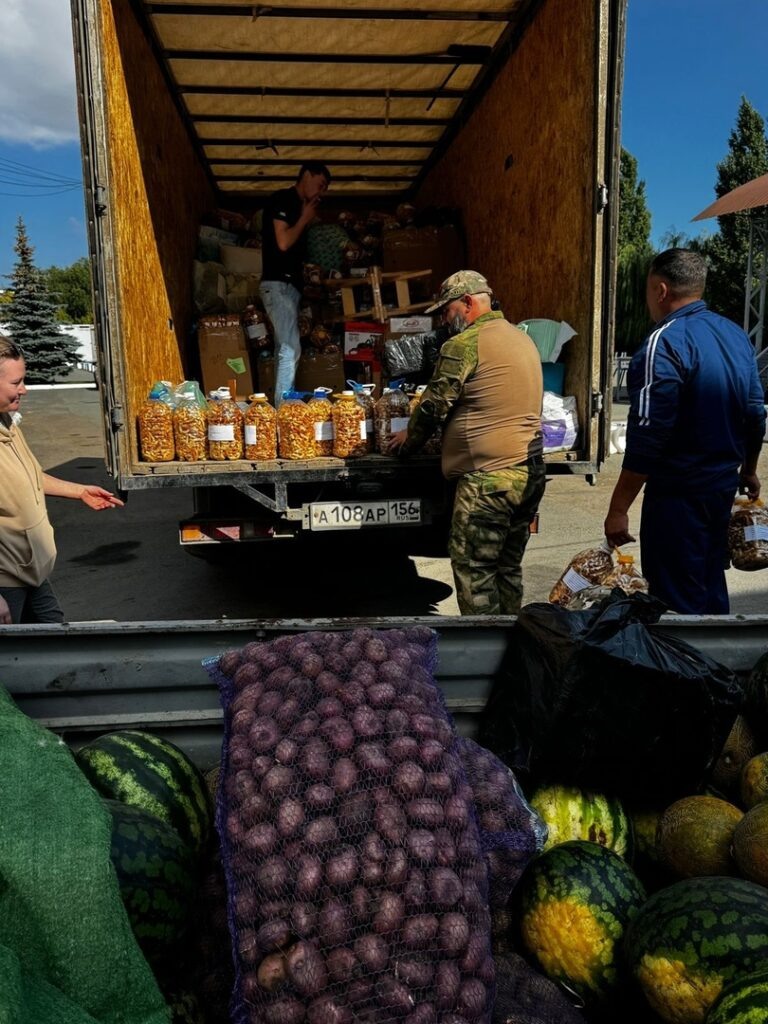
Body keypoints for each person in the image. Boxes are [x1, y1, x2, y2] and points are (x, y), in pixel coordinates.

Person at [603, 248, 766, 614]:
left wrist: (618, 509)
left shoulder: (664, 342)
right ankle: (716, 650)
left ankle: (686, 652)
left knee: (676, 602)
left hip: (677, 498)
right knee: (709, 584)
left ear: (660, 290)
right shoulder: (735, 336)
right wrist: (749, 469)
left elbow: (648, 435)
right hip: (720, 492)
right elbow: (755, 414)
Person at [388, 270, 545, 615]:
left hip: (489, 481)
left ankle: (485, 643)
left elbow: (434, 405)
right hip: (528, 473)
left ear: (468, 302)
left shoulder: (465, 344)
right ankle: (510, 639)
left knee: (475, 571)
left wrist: (407, 442)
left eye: (447, 310)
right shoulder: (520, 338)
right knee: (506, 567)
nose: (445, 320)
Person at [0, 336, 124, 624]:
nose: (24, 389)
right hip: (5, 583)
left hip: (31, 571)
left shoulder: (6, 422)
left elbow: (29, 476)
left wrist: (79, 491)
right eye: (16, 382)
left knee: (56, 638)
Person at [259, 162, 331, 405]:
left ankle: (283, 405)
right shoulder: (283, 199)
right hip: (278, 285)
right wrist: (304, 219)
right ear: (307, 175)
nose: (321, 192)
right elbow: (283, 242)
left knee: (285, 347)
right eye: (320, 184)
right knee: (290, 348)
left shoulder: (299, 206)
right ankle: (284, 411)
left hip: (288, 288)